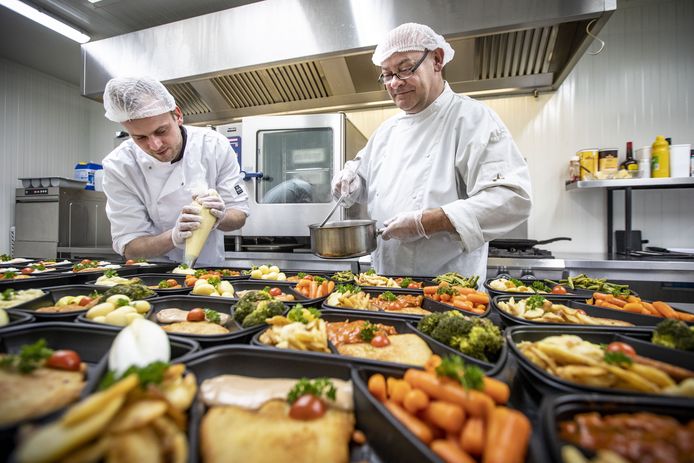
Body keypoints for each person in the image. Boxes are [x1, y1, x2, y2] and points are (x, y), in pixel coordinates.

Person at [331, 23, 532, 278]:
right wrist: (349, 183)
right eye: (387, 74)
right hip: (385, 288)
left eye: (405, 69)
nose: (394, 83)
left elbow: (512, 199)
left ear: (437, 60)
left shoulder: (471, 119)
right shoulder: (386, 131)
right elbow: (363, 180)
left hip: (448, 293)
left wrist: (425, 222)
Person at [101, 76, 249, 266]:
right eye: (140, 138)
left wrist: (219, 218)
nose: (155, 145)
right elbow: (131, 247)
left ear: (177, 115)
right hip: (152, 273)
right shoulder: (119, 166)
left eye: (161, 131)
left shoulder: (213, 145)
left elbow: (239, 214)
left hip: (208, 270)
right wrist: (174, 236)